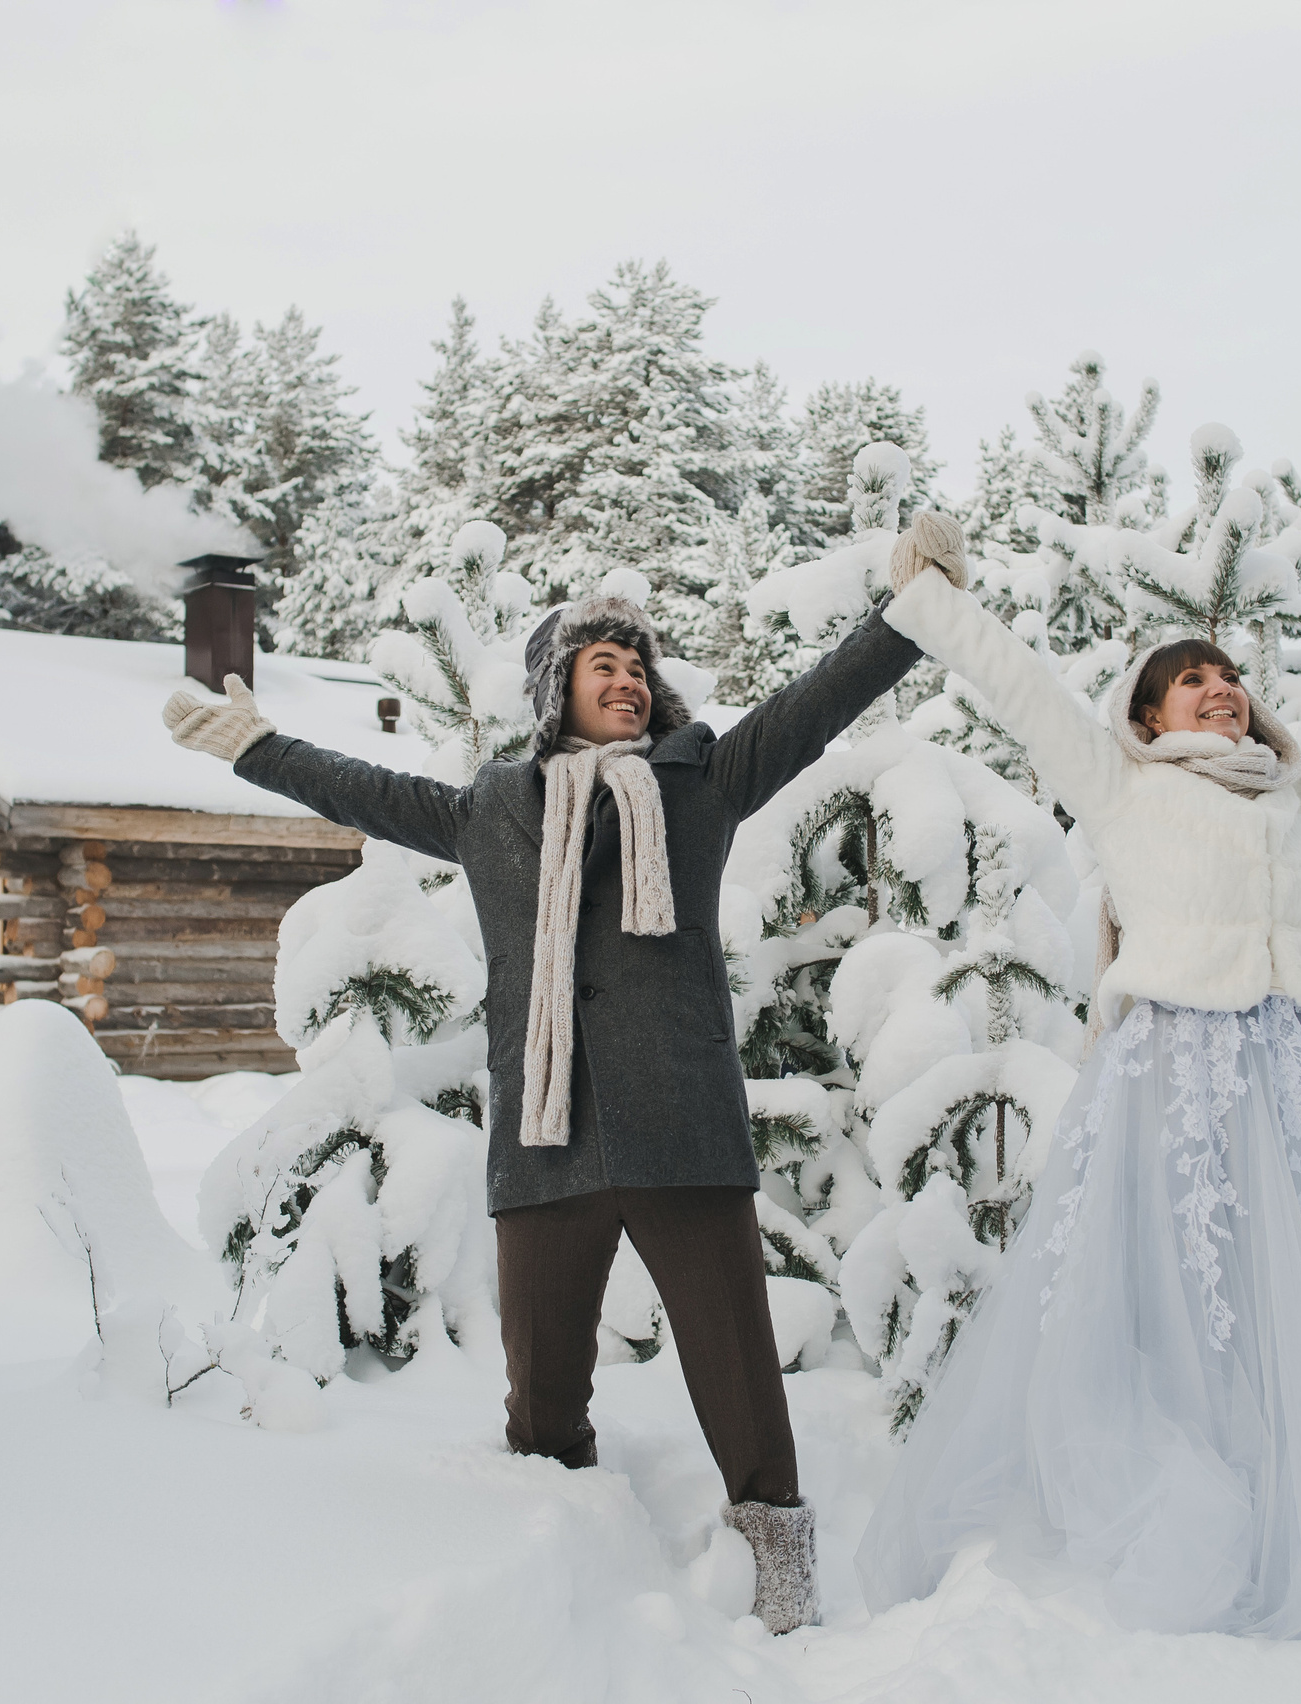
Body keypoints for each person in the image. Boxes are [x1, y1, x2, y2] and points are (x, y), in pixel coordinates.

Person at [160, 535, 962, 1633]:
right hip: (547, 1136)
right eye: (604, 667)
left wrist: (906, 611)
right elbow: (357, 787)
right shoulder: (491, 810)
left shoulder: (703, 781)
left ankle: (777, 1553)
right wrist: (253, 744)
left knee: (734, 1365)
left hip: (681, 1128)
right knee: (540, 1394)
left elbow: (814, 703)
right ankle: (563, 1553)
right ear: (557, 694)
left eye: (639, 671)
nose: (628, 683)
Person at [855, 557, 1301, 1637]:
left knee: (1285, 1285)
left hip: (1283, 1069)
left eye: (1227, 674)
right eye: (1191, 680)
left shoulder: (1284, 788)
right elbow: (1020, 683)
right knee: (1167, 1279)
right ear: (1146, 713)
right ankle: (1167, 1475)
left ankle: (1286, 1481)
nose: (1220, 687)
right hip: (1168, 1075)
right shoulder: (1121, 782)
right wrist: (931, 595)